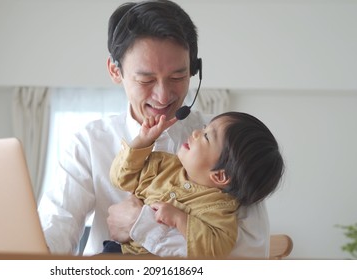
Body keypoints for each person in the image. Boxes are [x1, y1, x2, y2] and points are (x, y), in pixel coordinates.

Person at [38, 0, 272, 258]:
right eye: (146, 80)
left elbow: (251, 253)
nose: (162, 97)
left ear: (194, 70)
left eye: (177, 77)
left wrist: (142, 226)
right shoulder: (88, 142)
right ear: (115, 72)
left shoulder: (227, 142)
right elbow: (55, 226)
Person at [103, 112, 284, 258]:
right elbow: (120, 178)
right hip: (120, 252)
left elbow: (214, 251)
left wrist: (180, 220)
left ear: (220, 175)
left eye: (206, 137)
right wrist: (142, 141)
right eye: (204, 128)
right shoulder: (163, 164)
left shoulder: (220, 209)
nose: (197, 132)